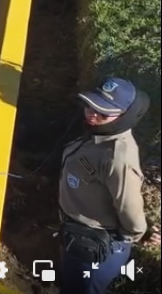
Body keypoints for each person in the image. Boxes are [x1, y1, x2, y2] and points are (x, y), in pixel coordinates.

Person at [58, 78, 155, 294]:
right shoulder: (98, 135)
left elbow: (128, 207)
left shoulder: (117, 157)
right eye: (90, 106)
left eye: (103, 113)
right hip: (76, 234)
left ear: (125, 117)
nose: (92, 114)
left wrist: (137, 232)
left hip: (94, 246)